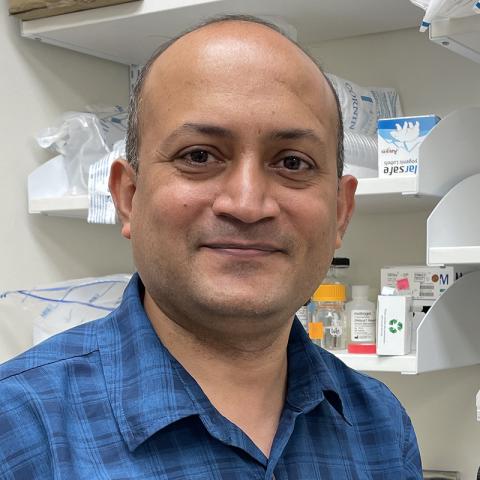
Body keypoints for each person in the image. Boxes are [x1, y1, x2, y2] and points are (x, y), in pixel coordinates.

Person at [0, 14, 422, 479]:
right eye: (198, 156)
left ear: (341, 212)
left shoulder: (379, 425)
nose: (247, 204)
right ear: (128, 197)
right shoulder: (18, 429)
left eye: (292, 162)